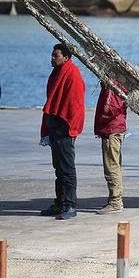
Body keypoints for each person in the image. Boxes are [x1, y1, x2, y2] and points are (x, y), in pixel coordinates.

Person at [40, 44, 86, 220]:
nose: (52, 58)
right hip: (55, 128)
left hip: (64, 130)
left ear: (66, 57)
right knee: (58, 168)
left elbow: (76, 105)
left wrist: (64, 127)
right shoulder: (56, 73)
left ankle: (70, 205)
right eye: (52, 55)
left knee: (67, 168)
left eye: (56, 55)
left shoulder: (72, 74)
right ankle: (60, 203)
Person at [94, 81, 128, 214]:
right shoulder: (120, 82)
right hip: (117, 128)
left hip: (111, 129)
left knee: (112, 167)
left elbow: (109, 108)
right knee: (115, 165)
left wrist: (100, 121)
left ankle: (115, 202)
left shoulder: (112, 84)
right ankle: (115, 200)